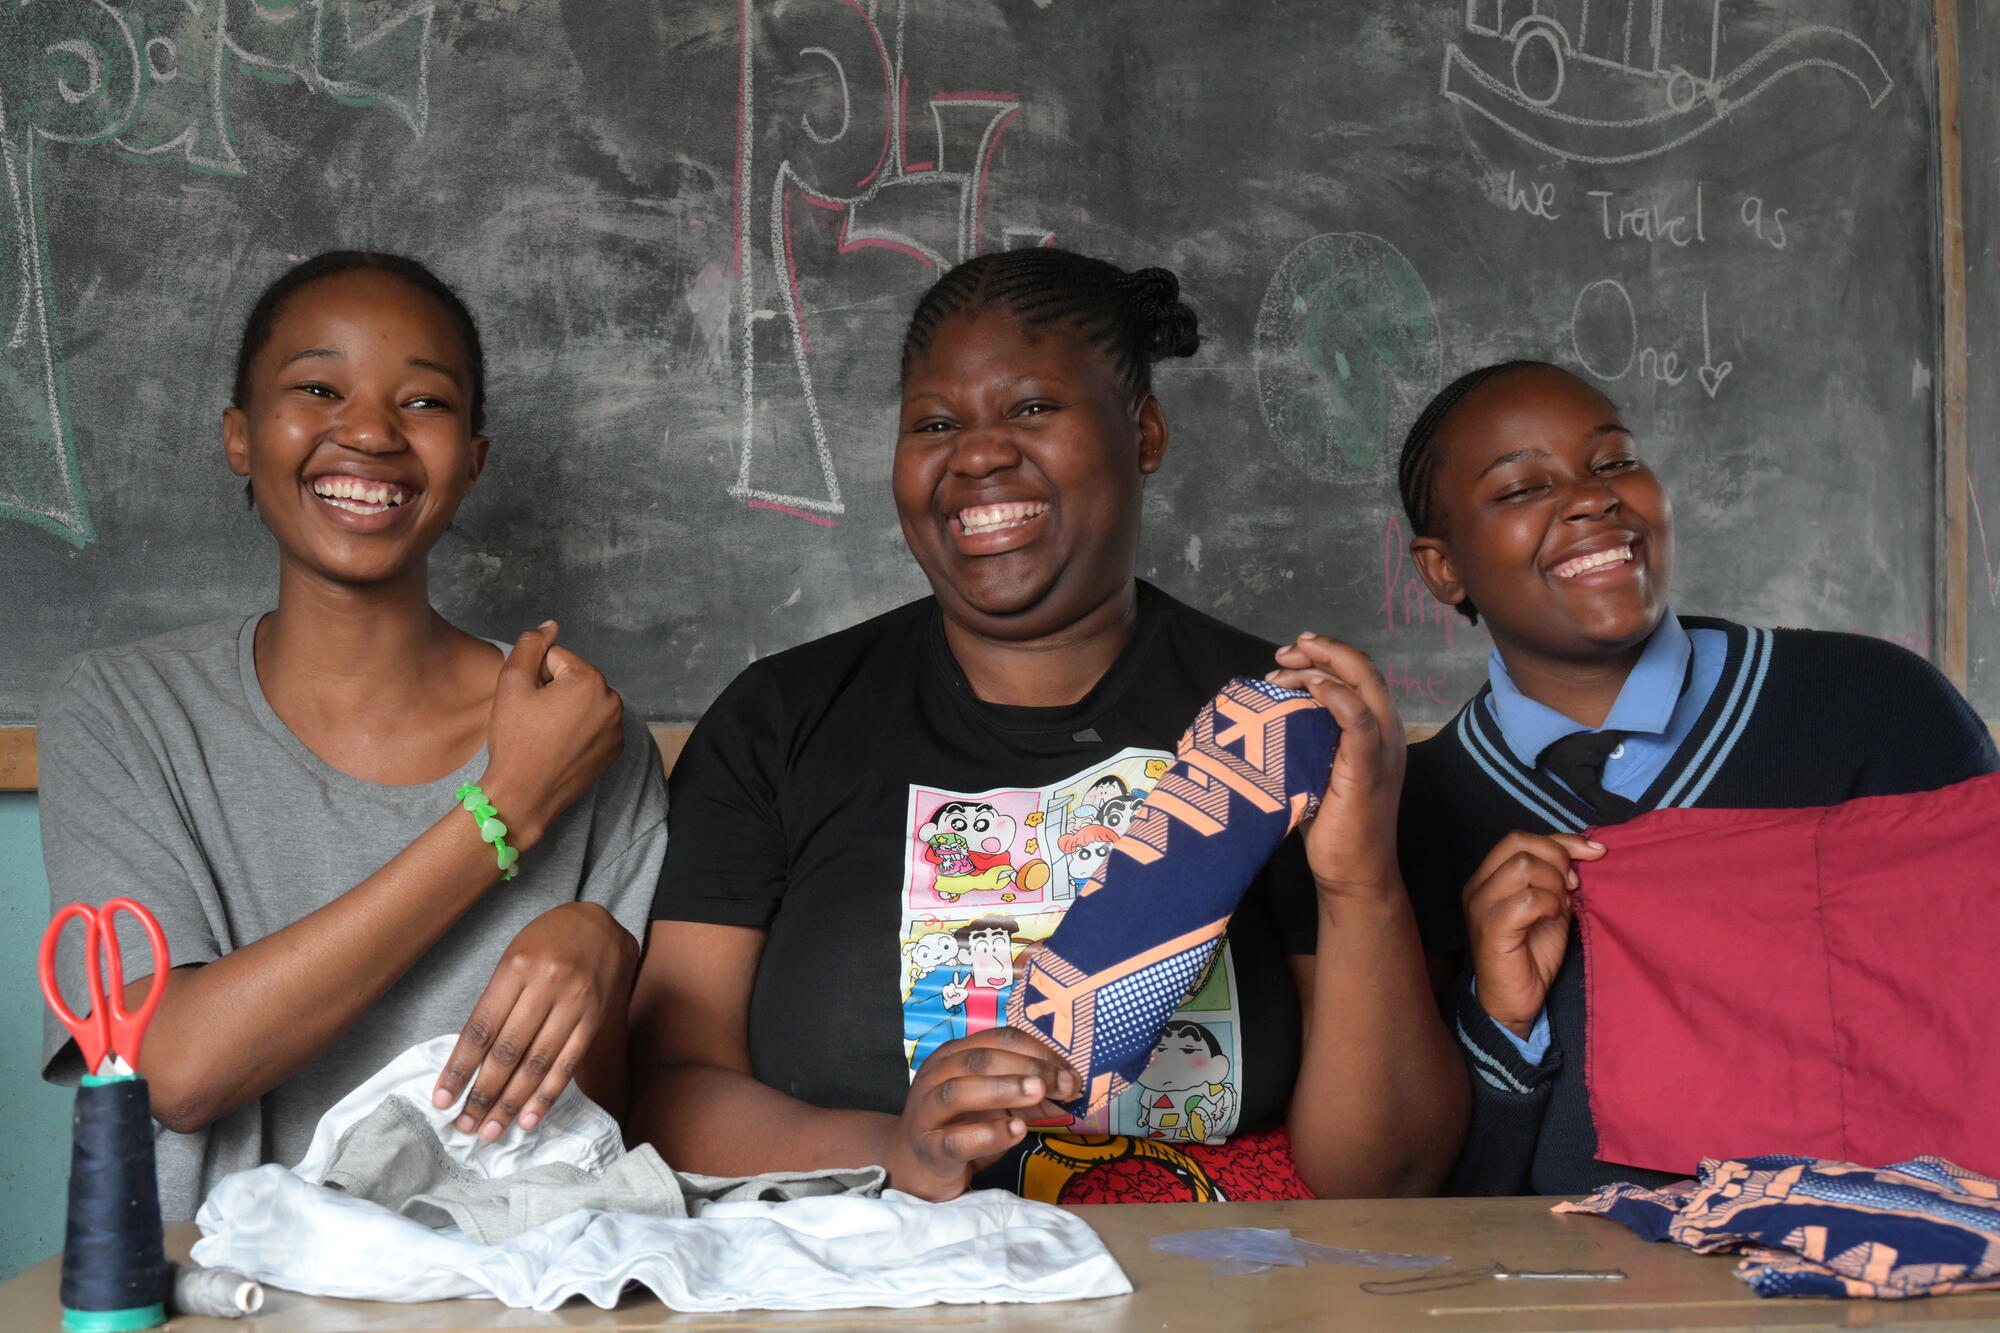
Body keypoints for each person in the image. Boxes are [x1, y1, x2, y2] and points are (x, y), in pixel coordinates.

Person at [628, 248, 1464, 1205]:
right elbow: (663, 1094)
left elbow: (1390, 1173)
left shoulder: (1279, 737)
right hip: (871, 1280)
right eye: (936, 423)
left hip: (1212, 1283)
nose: (978, 452)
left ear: (1143, 431)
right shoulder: (779, 721)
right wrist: (898, 1149)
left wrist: (1361, 884)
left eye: (1032, 408)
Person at [37, 252, 666, 1219]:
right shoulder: (124, 711)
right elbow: (176, 1071)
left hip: (503, 1305)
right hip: (219, 1304)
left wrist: (606, 953)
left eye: (424, 403)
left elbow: (603, 1135)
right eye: (319, 387)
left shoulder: (583, 731)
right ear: (240, 437)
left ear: (474, 459)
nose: (370, 431)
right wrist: (503, 809)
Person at [1387, 359, 1998, 1194]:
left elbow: (1973, 1035)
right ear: (1440, 568)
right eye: (1524, 487)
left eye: (1614, 462)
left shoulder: (1877, 708)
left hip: (1876, 1283)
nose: (1593, 497)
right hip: (1586, 1303)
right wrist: (1503, 1023)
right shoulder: (1412, 813)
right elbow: (1438, 1212)